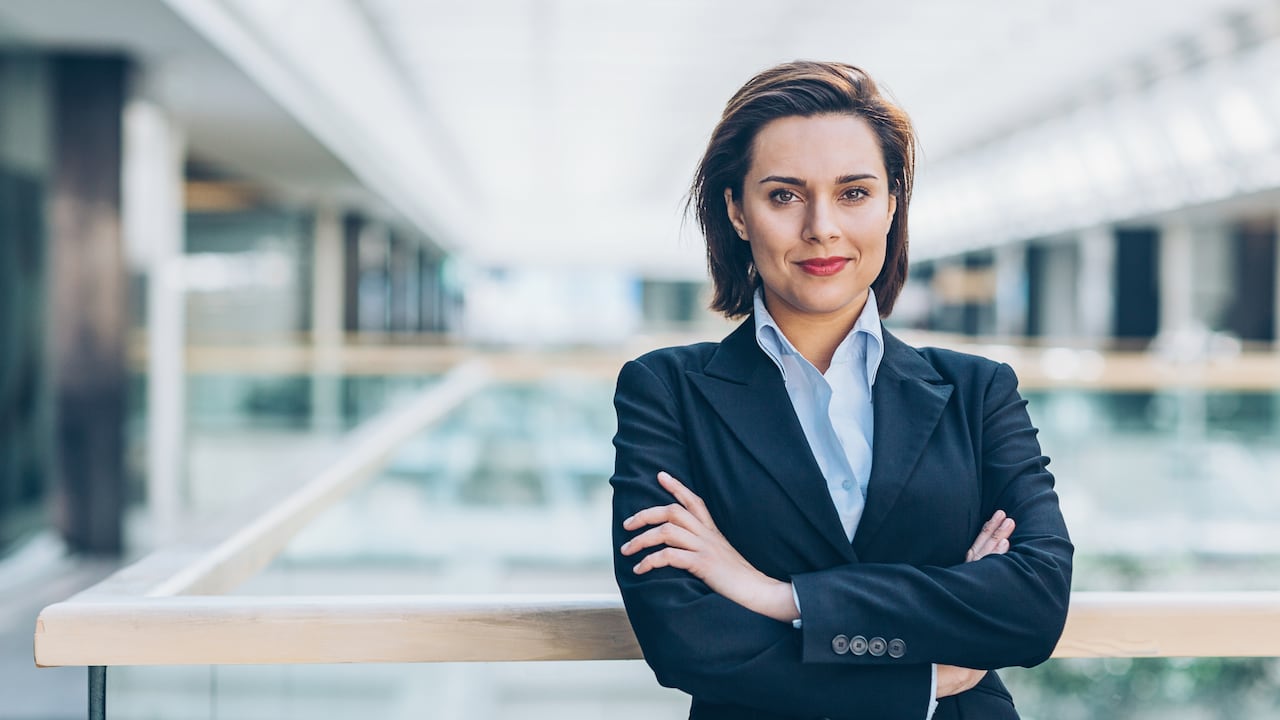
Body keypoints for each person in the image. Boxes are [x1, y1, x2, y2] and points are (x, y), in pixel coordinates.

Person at [610, 61, 1072, 720]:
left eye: (854, 192)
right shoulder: (666, 391)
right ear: (737, 211)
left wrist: (776, 595)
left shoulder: (978, 391)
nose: (821, 227)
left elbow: (1033, 605)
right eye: (784, 196)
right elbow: (685, 637)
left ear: (891, 204)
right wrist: (924, 671)